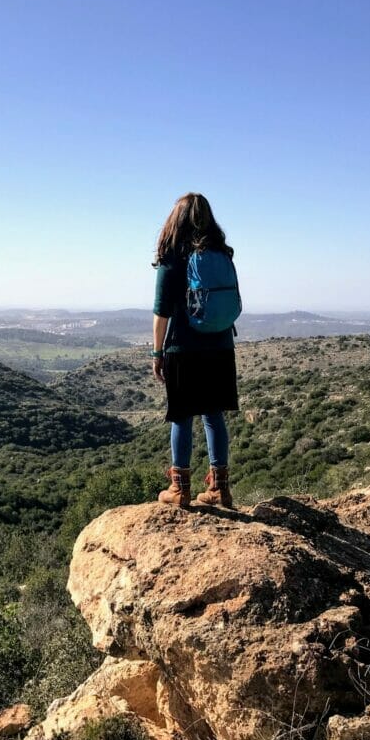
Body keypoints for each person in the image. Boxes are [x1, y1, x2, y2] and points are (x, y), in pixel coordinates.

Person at [151, 192, 239, 508]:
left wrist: (157, 354)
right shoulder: (221, 253)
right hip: (220, 346)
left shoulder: (173, 256)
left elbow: (161, 311)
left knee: (182, 418)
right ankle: (220, 489)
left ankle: (180, 490)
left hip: (183, 349)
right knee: (214, 417)